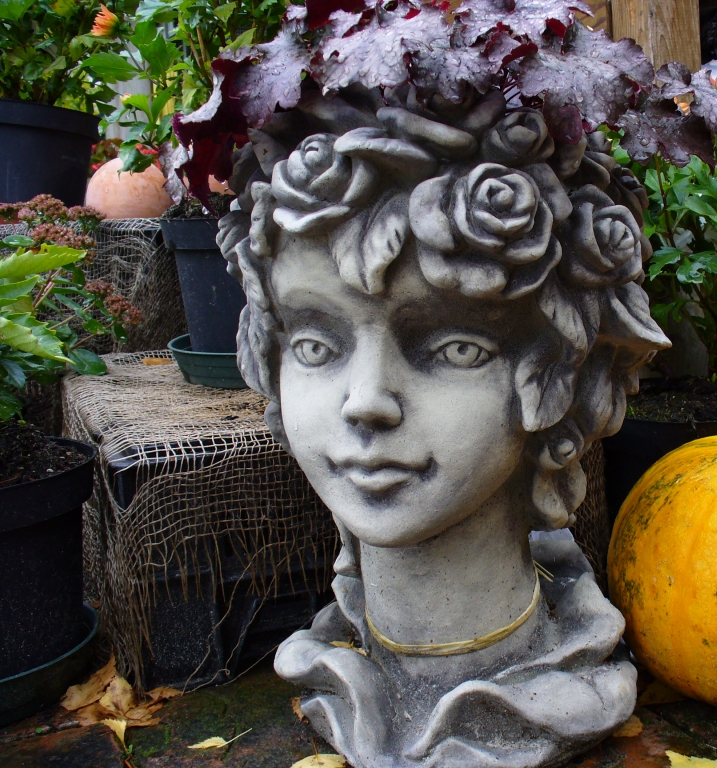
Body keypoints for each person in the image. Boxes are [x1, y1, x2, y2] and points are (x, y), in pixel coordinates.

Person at [217, 85, 670, 767]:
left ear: (563, 378)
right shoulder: (318, 660)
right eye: (315, 344)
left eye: (456, 348)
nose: (366, 401)